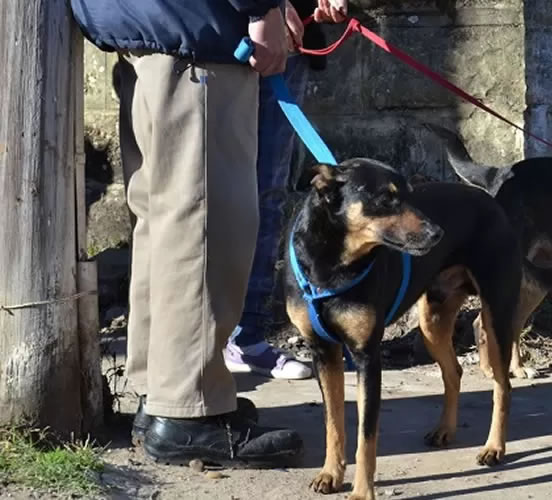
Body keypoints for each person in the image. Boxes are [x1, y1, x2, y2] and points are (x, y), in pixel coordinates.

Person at [70, 0, 345, 467]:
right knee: (207, 225)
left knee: (165, 221)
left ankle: (158, 396)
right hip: (195, 29)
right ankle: (187, 413)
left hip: (144, 22)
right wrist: (263, 7)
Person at [223, 0, 348, 380]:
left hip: (284, 44)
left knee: (267, 193)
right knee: (204, 196)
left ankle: (245, 338)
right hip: (219, 33)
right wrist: (269, 7)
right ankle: (195, 344)